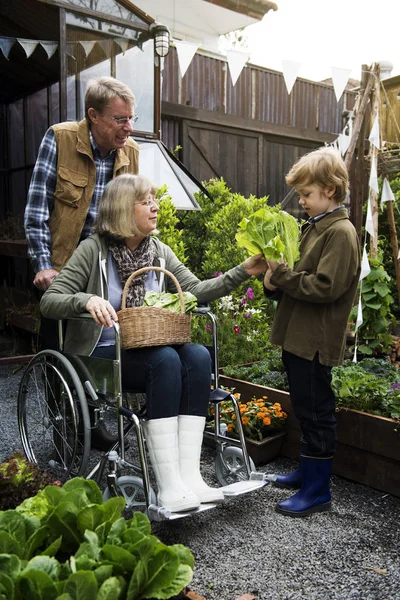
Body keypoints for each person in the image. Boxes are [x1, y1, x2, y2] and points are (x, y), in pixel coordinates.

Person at [40, 173, 267, 513]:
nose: (155, 206)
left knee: (198, 356)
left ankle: (189, 477)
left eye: (154, 200)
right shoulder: (93, 250)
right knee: (167, 360)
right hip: (103, 356)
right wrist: (86, 301)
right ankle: (168, 484)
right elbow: (50, 301)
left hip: (147, 348)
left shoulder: (158, 251)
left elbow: (196, 289)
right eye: (146, 201)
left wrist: (244, 271)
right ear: (121, 209)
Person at [263, 147, 361, 517]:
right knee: (305, 407)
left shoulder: (340, 232)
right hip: (297, 336)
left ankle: (318, 490)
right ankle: (308, 472)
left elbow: (325, 287)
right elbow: (296, 277)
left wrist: (283, 276)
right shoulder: (316, 226)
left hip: (314, 340)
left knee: (317, 410)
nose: (301, 201)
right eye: (301, 194)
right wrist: (274, 282)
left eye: (306, 194)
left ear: (330, 191)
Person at [24, 76, 139, 292]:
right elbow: (37, 211)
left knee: (106, 327)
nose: (129, 128)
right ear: (93, 115)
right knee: (57, 327)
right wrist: (43, 266)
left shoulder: (131, 151)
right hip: (62, 273)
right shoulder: (60, 138)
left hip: (110, 274)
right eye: (120, 119)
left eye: (132, 118)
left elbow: (132, 218)